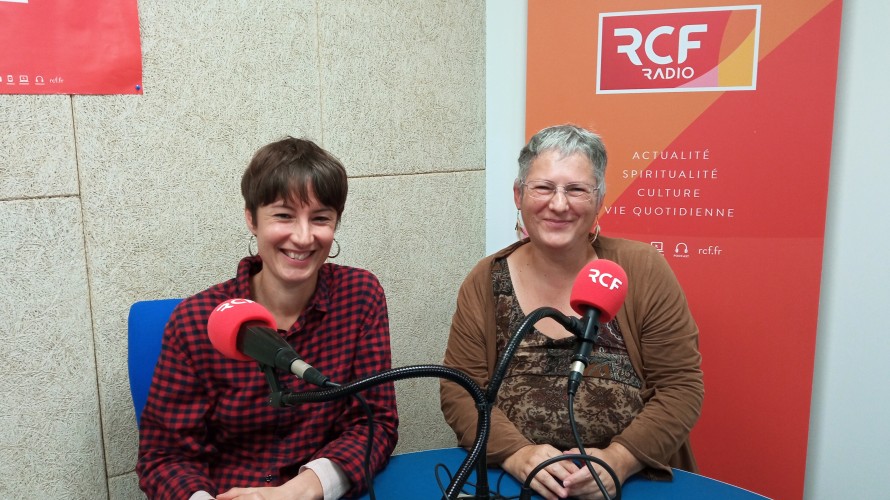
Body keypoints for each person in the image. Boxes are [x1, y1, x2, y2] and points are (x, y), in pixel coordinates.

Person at [440, 124, 703, 500]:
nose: (559, 204)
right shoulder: (486, 279)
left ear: (599, 200)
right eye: (543, 188)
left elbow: (680, 387)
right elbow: (459, 390)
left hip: (629, 484)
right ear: (518, 194)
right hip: (513, 483)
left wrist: (619, 461)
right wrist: (517, 454)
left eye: (577, 189)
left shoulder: (642, 270)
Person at [137, 137, 399, 500]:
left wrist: (298, 491)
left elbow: (375, 423)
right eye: (284, 215)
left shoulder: (360, 296)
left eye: (320, 218)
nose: (303, 237)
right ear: (252, 218)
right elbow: (163, 456)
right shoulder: (195, 321)